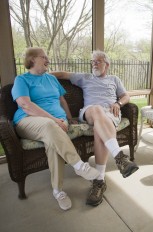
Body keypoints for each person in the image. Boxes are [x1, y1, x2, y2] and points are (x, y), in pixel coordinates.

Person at [11, 47, 100, 211]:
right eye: (43, 57)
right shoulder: (22, 80)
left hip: (55, 124)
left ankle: (57, 190)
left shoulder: (51, 79)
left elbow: (62, 100)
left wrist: (67, 117)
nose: (48, 60)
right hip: (28, 121)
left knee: (52, 142)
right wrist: (55, 120)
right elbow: (25, 105)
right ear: (32, 60)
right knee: (50, 125)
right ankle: (79, 165)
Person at [51, 50, 139, 207]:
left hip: (110, 113)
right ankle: (119, 157)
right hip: (90, 111)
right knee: (97, 110)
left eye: (98, 61)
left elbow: (126, 96)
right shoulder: (84, 77)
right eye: (93, 61)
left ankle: (99, 182)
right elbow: (63, 74)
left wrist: (118, 104)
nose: (94, 64)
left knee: (100, 131)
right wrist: (43, 73)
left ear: (107, 64)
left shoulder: (114, 79)